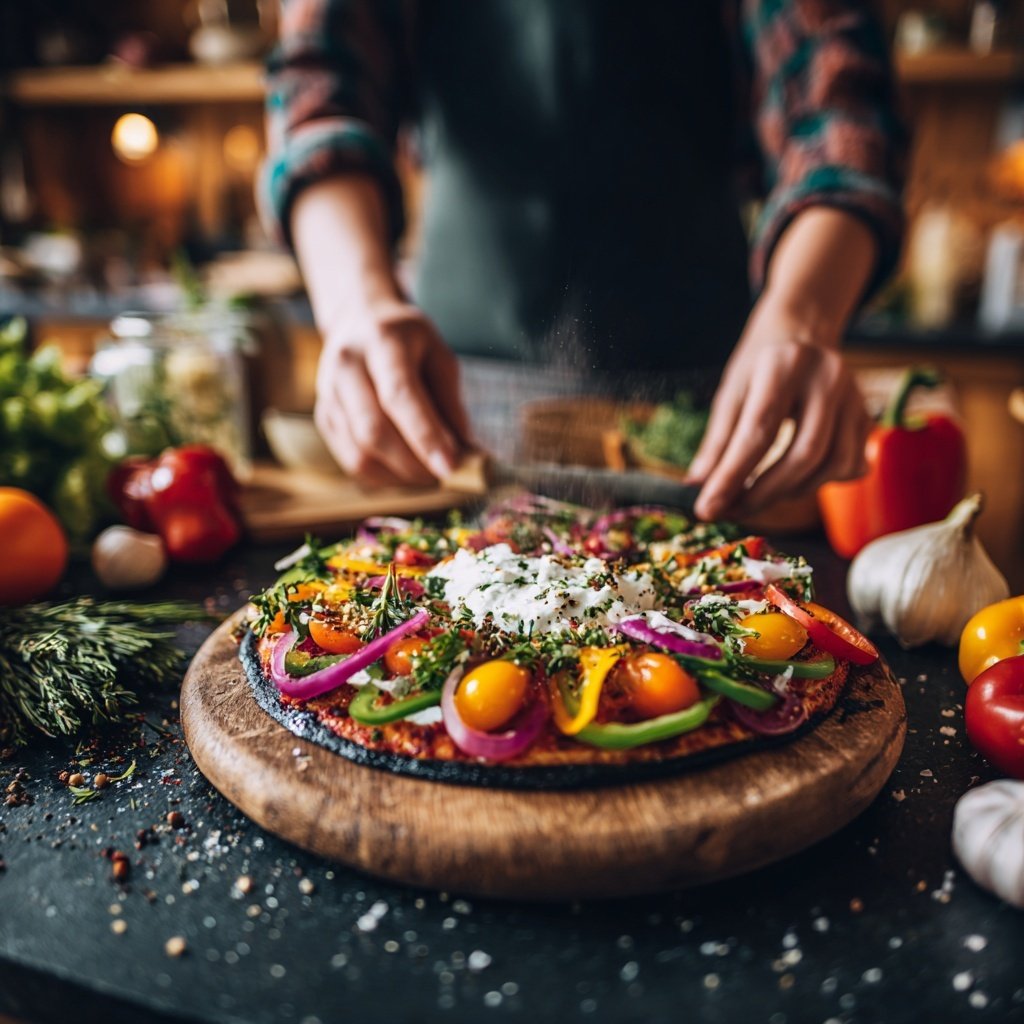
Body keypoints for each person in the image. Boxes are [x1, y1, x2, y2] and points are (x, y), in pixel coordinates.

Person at [260, 0, 905, 521]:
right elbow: (322, 87)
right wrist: (354, 304)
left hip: (718, 418)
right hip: (449, 410)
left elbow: (839, 106)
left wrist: (801, 317)